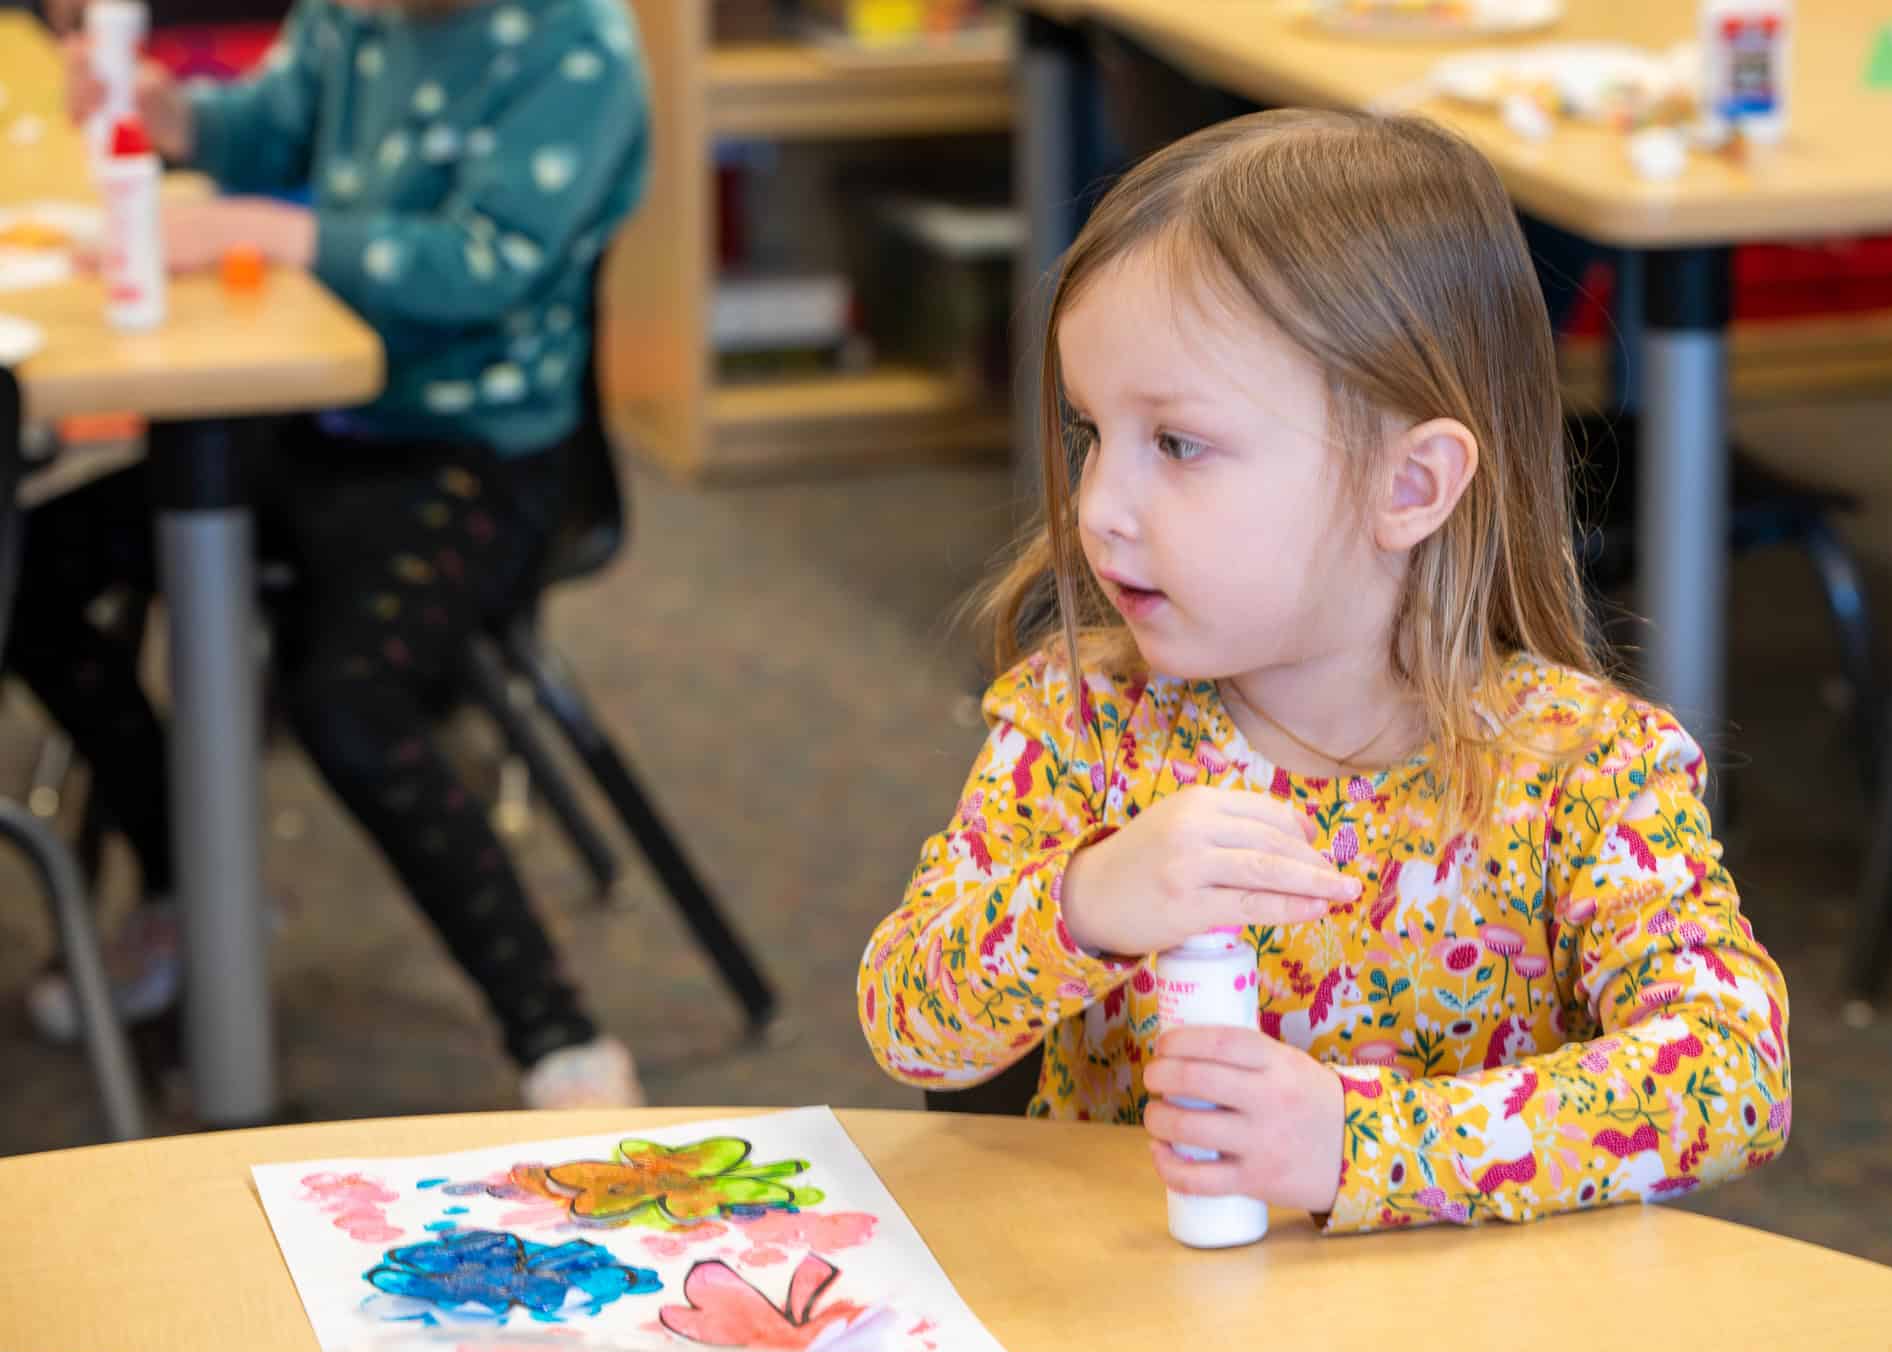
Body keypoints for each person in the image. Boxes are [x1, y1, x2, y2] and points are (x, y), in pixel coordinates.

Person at [858, 109, 1791, 1230]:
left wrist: (1359, 1147)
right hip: (1146, 1325)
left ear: (1409, 486)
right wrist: (1085, 904)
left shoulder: (1581, 770)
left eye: (1179, 444)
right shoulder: (1083, 726)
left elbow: (1733, 1076)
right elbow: (907, 1021)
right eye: (1091, 432)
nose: (1099, 508)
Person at [23, 0, 653, 1107]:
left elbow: (486, 264)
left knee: (350, 699)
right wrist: (174, 117)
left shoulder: (573, 44)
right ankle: (189, 886)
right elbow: (273, 122)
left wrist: (269, 233)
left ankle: (557, 1032)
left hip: (480, 453)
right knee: (30, 575)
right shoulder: (356, 18)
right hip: (319, 414)